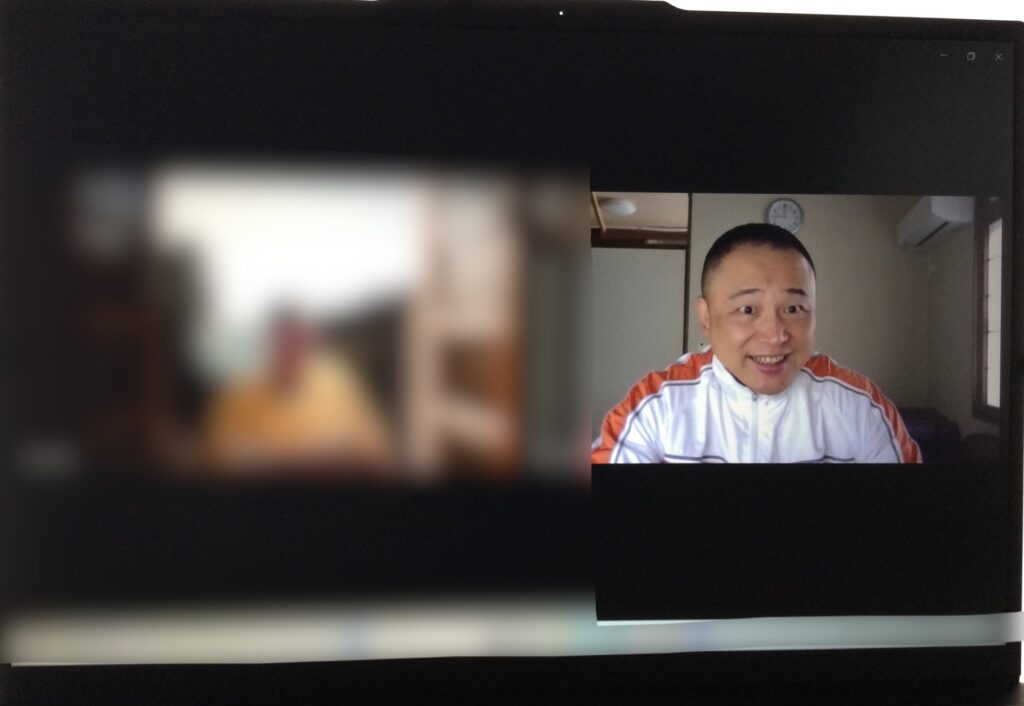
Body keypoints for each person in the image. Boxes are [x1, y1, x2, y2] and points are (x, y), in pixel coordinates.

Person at [591, 223, 922, 464]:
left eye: (793, 309)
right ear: (706, 318)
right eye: (748, 309)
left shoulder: (861, 406)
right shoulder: (656, 405)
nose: (775, 335)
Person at [202, 306, 396, 474]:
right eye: (283, 343)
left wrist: (344, 453)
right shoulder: (237, 394)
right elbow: (220, 458)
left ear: (309, 344)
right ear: (268, 345)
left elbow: (375, 452)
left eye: (297, 342)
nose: (290, 352)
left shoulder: (339, 383)